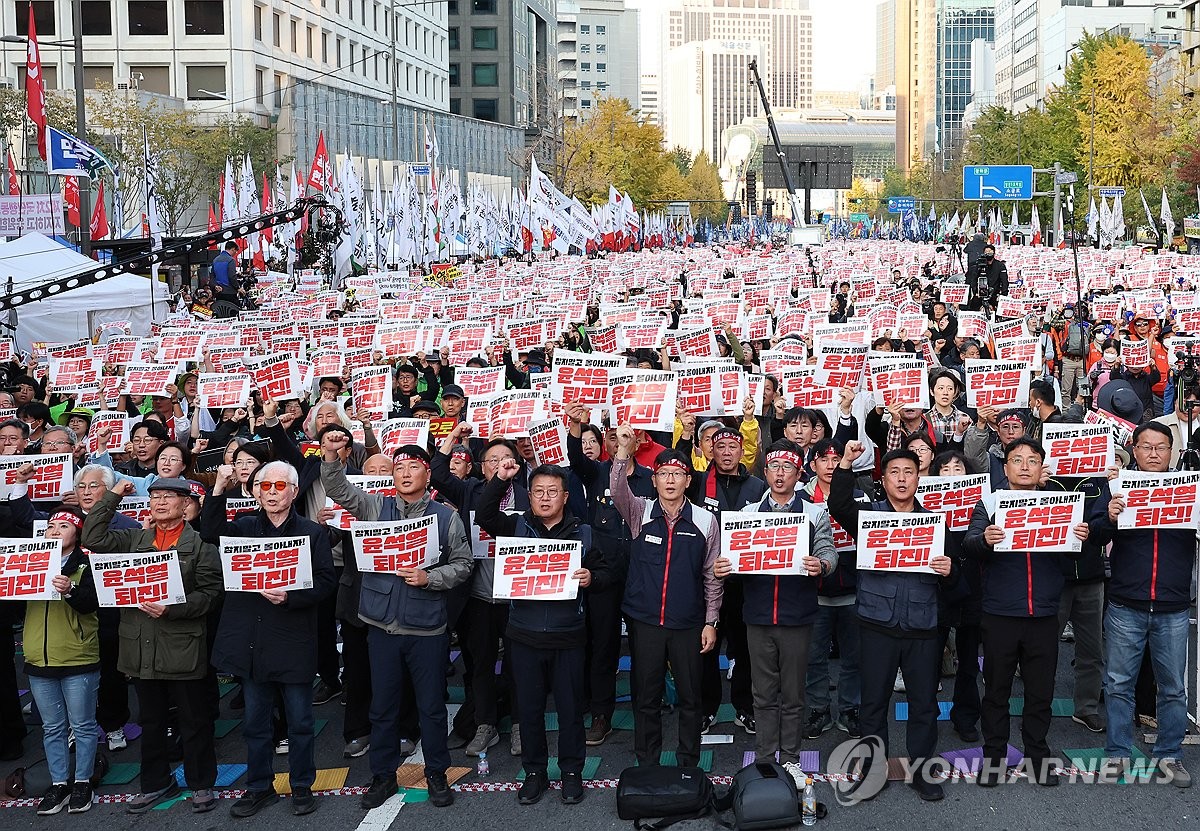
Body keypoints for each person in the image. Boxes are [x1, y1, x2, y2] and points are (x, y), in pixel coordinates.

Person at [319, 438, 473, 809]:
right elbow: (338, 488)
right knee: (382, 707)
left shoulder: (445, 516)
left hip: (427, 628)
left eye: (413, 467)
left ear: (427, 475)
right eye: (399, 468)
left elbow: (464, 564)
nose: (405, 473)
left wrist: (430, 578)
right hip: (382, 626)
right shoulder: (376, 507)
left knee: (432, 707)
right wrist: (329, 455)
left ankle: (436, 772)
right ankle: (383, 775)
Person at [199, 461, 337, 817]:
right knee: (255, 724)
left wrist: (291, 596)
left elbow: (326, 582)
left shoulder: (311, 532)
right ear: (255, 492)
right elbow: (210, 530)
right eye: (264, 486)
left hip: (292, 639)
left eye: (279, 486)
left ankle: (302, 786)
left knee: (300, 722)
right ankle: (259, 787)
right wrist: (217, 490)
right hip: (251, 641)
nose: (272, 492)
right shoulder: (244, 527)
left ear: (293, 491)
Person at [80, 477, 223, 814]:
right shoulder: (133, 539)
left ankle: (201, 782)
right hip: (141, 646)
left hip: (183, 645)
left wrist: (173, 609)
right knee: (152, 721)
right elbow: (92, 536)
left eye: (169, 497)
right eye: (155, 496)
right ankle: (156, 782)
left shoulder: (201, 546)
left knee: (193, 719)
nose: (160, 502)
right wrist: (113, 495)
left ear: (185, 506)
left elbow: (212, 594)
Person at [475, 460, 614, 806]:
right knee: (530, 711)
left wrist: (591, 579)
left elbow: (609, 572)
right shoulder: (516, 526)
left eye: (553, 491)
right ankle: (534, 773)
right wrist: (501, 479)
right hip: (523, 636)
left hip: (568, 638)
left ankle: (571, 773)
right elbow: (483, 514)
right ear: (530, 496)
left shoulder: (583, 532)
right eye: (538, 492)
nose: (545, 498)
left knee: (570, 712)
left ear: (565, 497)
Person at [827, 442, 956, 802]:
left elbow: (957, 576)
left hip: (922, 627)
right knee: (873, 703)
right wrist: (846, 464)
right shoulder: (869, 519)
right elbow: (837, 505)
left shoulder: (934, 522)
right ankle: (873, 769)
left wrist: (950, 570)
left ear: (919, 478)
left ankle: (922, 771)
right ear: (882, 481)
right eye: (894, 473)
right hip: (876, 624)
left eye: (909, 472)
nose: (902, 478)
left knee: (924, 703)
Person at [963, 438, 1091, 787]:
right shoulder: (989, 503)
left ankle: (1037, 755)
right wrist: (985, 538)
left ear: (1041, 468)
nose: (1023, 466)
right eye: (1016, 460)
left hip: (1044, 613)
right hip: (1000, 612)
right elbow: (969, 544)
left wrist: (1082, 537)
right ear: (1004, 468)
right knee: (996, 691)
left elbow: (1075, 555)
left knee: (1040, 692)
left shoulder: (1060, 503)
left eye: (1032, 460)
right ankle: (994, 757)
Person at [714, 439, 837, 786]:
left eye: (787, 468)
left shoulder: (813, 512)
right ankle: (767, 758)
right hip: (757, 616)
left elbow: (828, 550)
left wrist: (823, 563)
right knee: (763, 693)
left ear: (798, 473)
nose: (779, 474)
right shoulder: (748, 515)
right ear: (764, 472)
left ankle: (793, 759)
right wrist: (723, 566)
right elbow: (731, 560)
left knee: (794, 693)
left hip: (797, 616)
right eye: (773, 467)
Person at [609, 427, 721, 769]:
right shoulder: (639, 511)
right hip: (645, 622)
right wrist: (623, 451)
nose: (670, 480)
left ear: (688, 481)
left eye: (678, 474)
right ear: (653, 480)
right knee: (646, 697)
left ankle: (688, 763)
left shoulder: (705, 520)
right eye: (663, 474)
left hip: (688, 622)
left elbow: (712, 576)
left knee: (691, 698)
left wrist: (710, 621)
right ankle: (647, 762)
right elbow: (616, 489)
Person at [1088, 422, 1192, 787]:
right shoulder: (1116, 487)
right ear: (1134, 450)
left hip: (1174, 606)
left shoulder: (1189, 490)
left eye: (1160, 447)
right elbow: (1093, 532)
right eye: (1146, 447)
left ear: (1171, 452)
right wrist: (1111, 517)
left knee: (1173, 688)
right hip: (1126, 603)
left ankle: (1170, 755)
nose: (1153, 454)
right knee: (1118, 683)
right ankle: (1117, 752)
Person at [687, 424, 766, 735]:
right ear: (711, 451)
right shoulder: (697, 483)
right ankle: (707, 709)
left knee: (745, 647)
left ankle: (744, 708)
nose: (727, 452)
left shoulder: (757, 486)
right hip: (707, 579)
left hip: (745, 582)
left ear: (741, 450)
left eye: (733, 446)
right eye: (720, 447)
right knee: (706, 647)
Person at [26, 508, 102, 815]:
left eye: (63, 526)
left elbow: (93, 604)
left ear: (78, 532)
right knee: (51, 727)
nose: (55, 530)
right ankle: (59, 783)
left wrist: (70, 589)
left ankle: (83, 781)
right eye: (50, 526)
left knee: (82, 726)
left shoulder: (87, 563)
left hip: (77, 655)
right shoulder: (29, 561)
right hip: (38, 657)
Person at [800, 439, 865, 740]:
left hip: (853, 591)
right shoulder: (800, 499)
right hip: (813, 594)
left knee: (854, 657)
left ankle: (850, 708)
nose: (830, 465)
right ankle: (818, 708)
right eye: (823, 459)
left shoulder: (860, 496)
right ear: (812, 465)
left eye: (836, 459)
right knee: (814, 657)